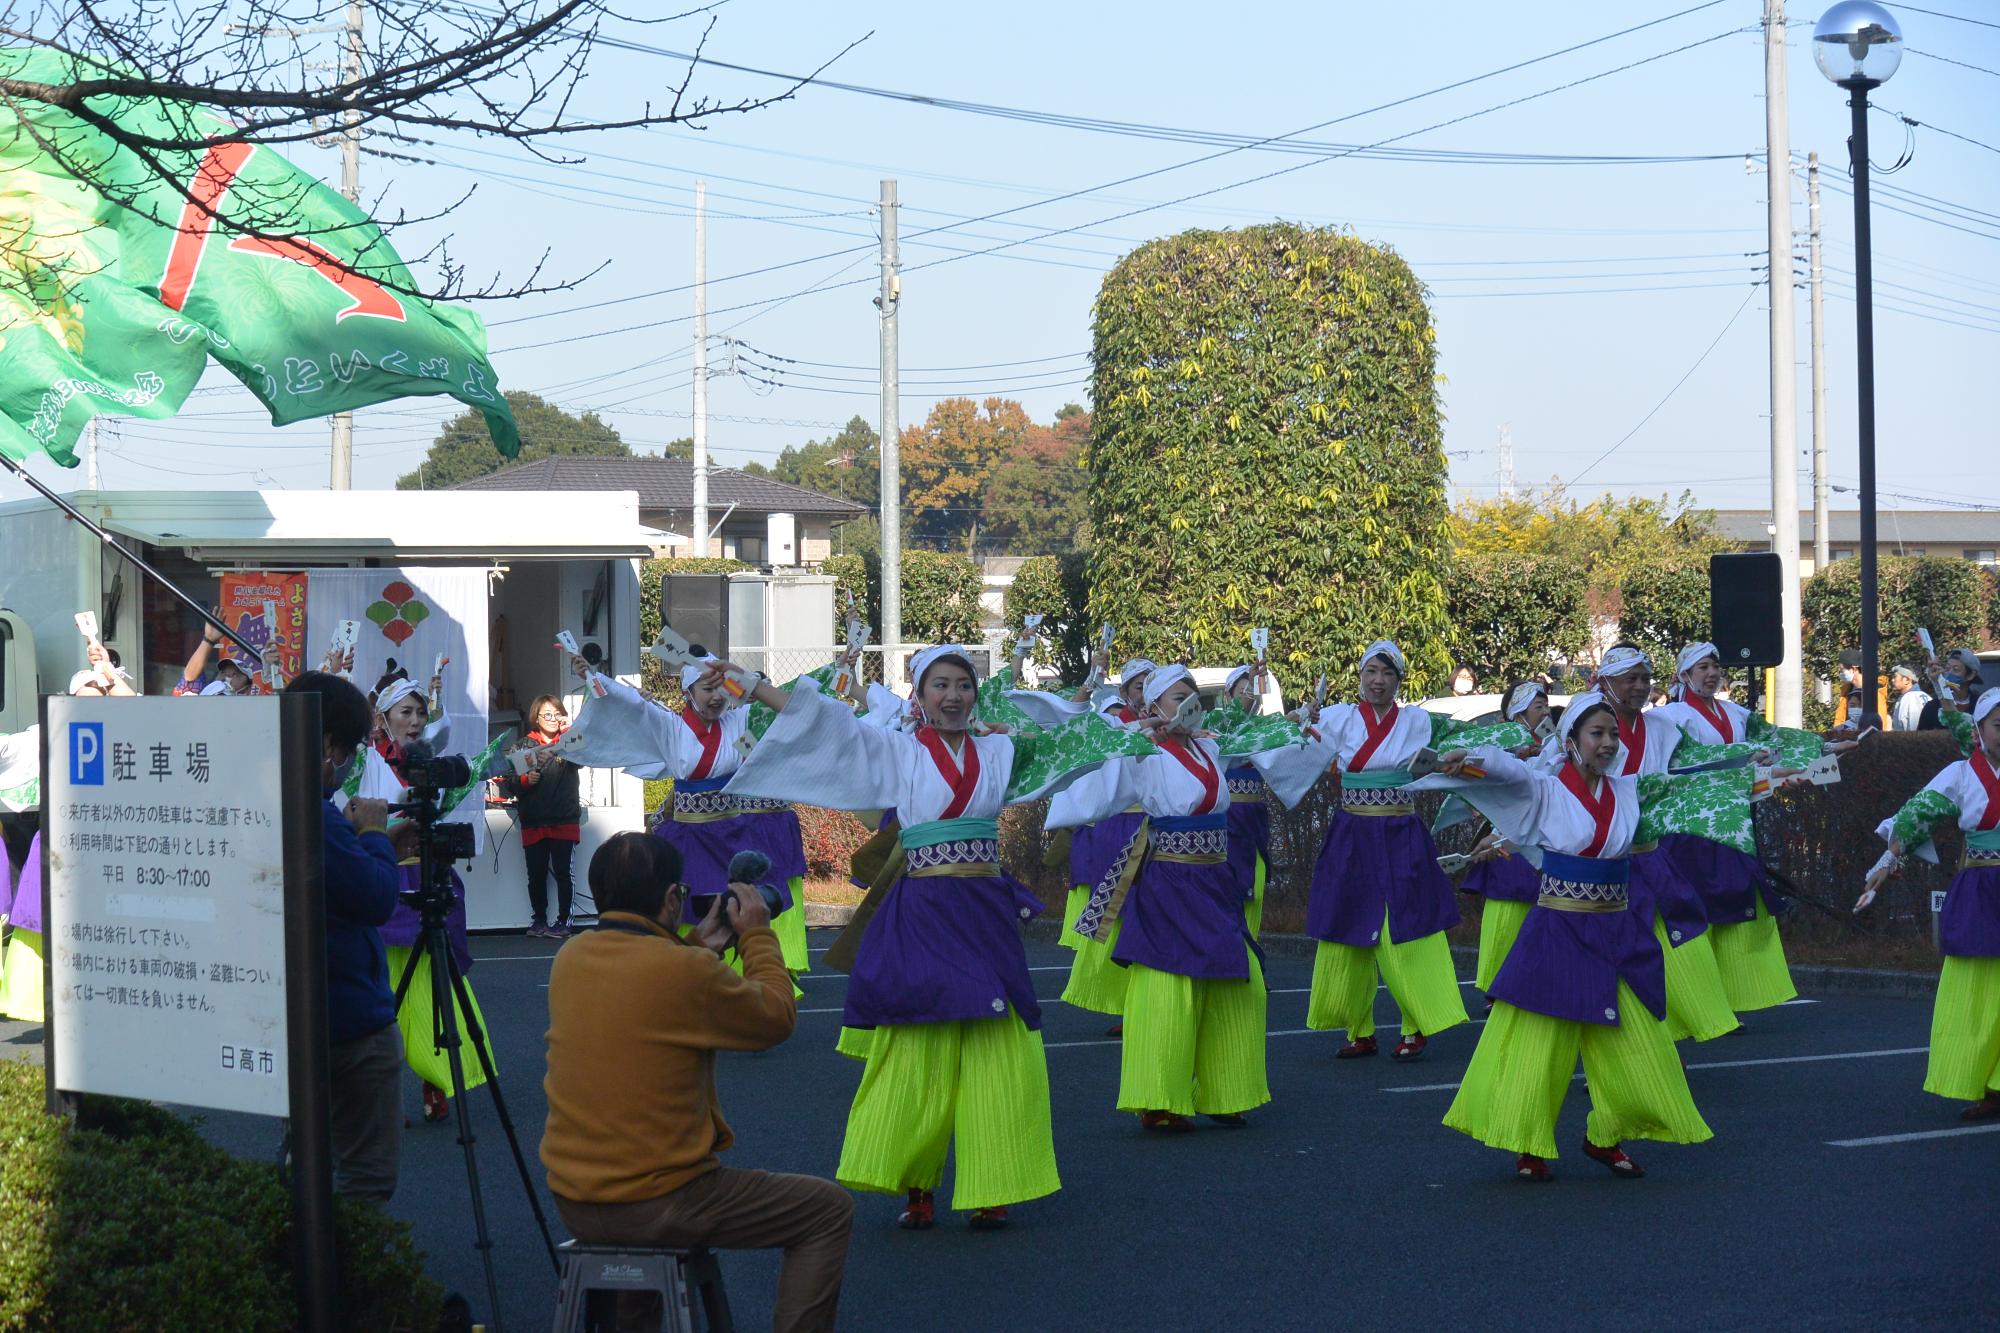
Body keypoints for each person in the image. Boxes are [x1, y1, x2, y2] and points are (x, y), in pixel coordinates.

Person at [723, 644, 1148, 1229]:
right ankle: (915, 1182)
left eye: (963, 685)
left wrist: (1141, 728)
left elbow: (1067, 740)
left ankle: (992, 1180)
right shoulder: (898, 749)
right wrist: (754, 686)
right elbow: (830, 727)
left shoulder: (999, 747)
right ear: (920, 697)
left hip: (983, 906)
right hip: (922, 903)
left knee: (997, 1031)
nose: (953, 696)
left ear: (975, 694)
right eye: (940, 685)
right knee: (920, 1032)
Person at [543, 832, 850, 1333]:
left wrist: (692, 944)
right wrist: (755, 935)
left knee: (642, 1266)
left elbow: (648, 981)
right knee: (827, 1210)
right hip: (662, 1203)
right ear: (671, 898)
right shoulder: (684, 971)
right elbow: (774, 1018)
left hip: (576, 1199)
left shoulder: (571, 959)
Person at [1413, 695, 1723, 1181]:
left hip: (1618, 931)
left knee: (1636, 1035)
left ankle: (1606, 1135)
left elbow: (1696, 786)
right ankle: (1526, 1143)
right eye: (1596, 734)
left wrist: (1763, 769)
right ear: (1572, 740)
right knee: (1538, 1041)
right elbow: (1502, 773)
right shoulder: (1545, 789)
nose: (1607, 743)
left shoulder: (1628, 791)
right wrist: (1468, 761)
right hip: (1557, 928)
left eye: (1613, 734)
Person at [1048, 666, 1315, 1131]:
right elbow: (1090, 749)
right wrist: (1136, 731)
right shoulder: (1139, 749)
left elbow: (1254, 735)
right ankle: (1159, 1097)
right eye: (1175, 699)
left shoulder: (1209, 747)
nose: (1187, 705)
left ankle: (1226, 1090)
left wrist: (1294, 722)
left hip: (1215, 879)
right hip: (1167, 880)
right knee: (1166, 985)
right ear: (1151, 709)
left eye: (1191, 697)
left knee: (1240, 981)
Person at [1277, 640, 1529, 1062]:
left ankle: (1416, 1025)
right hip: (1352, 832)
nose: (1378, 681)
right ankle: (1358, 1028)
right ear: (1360, 676)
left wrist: (1494, 749)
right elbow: (1290, 747)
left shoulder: (1418, 721)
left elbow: (1473, 741)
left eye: (1387, 673)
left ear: (1398, 680)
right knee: (1348, 921)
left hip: (1400, 831)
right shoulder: (1337, 717)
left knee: (1408, 924)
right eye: (1371, 672)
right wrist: (1294, 722)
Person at [558, 652, 813, 978]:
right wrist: (593, 676)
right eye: (707, 689)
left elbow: (791, 708)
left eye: (722, 688)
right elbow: (631, 705)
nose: (716, 697)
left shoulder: (739, 721)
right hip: (691, 836)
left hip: (733, 834)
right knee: (686, 911)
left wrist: (754, 681)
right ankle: (682, 978)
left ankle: (743, 980)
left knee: (741, 906)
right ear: (687, 693)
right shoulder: (670, 726)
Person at [287, 670, 418, 1202]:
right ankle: (350, 1279)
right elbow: (373, 897)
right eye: (350, 747)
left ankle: (307, 1269)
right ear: (325, 744)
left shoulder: (266, 801)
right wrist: (371, 835)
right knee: (363, 1175)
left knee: (308, 1163)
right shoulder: (317, 814)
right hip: (348, 1021)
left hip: (297, 1020)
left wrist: (374, 842)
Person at [1653, 643, 1839, 1016]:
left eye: (1715, 666)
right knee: (1698, 908)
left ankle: (1733, 998)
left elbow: (1777, 740)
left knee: (1737, 905)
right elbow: (1674, 765)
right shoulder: (1669, 718)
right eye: (1702, 667)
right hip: (1692, 826)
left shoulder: (1736, 713)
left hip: (1735, 821)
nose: (1711, 673)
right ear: (1684, 675)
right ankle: (1700, 1003)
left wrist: (1826, 748)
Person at [1861, 690, 2000, 1121]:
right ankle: (1982, 1083)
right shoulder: (1959, 775)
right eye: (1999, 723)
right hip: (1982, 888)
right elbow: (1914, 818)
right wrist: (1887, 861)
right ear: (1979, 731)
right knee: (1974, 990)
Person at [1455, 680, 1555, 1001]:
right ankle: (1497, 986)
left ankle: (1535, 983)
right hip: (1507, 834)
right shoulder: (1502, 744)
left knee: (1542, 914)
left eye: (1545, 705)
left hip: (1546, 837)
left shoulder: (1557, 744)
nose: (1545, 711)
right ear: (1518, 714)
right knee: (1505, 913)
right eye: (1537, 706)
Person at [497, 694, 582, 939]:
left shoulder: (569, 743)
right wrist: (525, 780)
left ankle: (565, 921)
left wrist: (569, 732)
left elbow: (585, 757)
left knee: (565, 873)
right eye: (547, 714)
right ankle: (540, 920)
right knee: (536, 874)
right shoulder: (522, 746)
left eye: (557, 714)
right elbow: (508, 784)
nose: (553, 719)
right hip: (533, 820)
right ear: (536, 717)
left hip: (564, 818)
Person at [173, 617, 259, 696]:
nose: (227, 678)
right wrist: (209, 639)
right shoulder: (201, 696)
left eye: (235, 675)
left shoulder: (249, 708)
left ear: (247, 688)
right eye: (224, 673)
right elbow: (189, 677)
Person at [1891, 665, 1931, 734]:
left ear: (1907, 680)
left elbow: (1913, 732)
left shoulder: (1911, 698)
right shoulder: (1926, 696)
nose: (1892, 680)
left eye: (1895, 677)